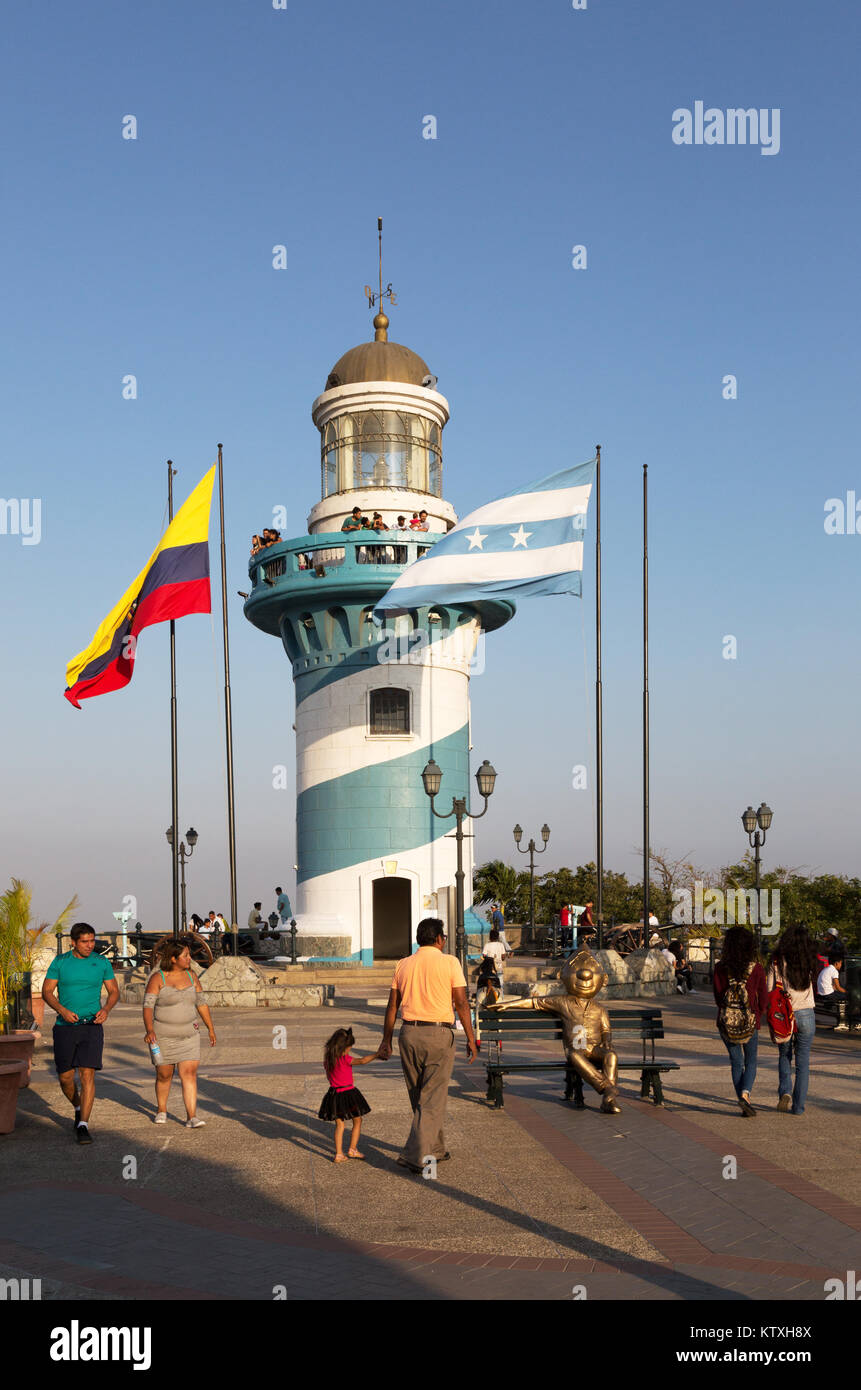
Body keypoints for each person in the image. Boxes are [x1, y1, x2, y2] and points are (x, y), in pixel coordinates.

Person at [378, 919, 478, 1173]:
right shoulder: (450, 962)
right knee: (432, 1098)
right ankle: (417, 1156)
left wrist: (385, 1040)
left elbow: (392, 1006)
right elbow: (462, 1003)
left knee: (420, 1096)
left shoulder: (403, 964)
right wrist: (471, 1037)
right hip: (439, 1034)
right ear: (439, 939)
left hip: (409, 1034)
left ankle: (436, 1148)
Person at [42, 922, 120, 1145]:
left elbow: (114, 991)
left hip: (92, 1026)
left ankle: (83, 1125)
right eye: (84, 942)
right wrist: (62, 1011)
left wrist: (106, 1009)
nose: (89, 945)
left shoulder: (101, 962)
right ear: (73, 943)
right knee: (66, 1078)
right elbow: (47, 991)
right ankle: (77, 1106)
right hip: (65, 1027)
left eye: (92, 941)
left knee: (87, 1075)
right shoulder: (61, 962)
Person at [143, 940, 216, 1127]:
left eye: (189, 955)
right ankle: (161, 1110)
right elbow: (148, 1007)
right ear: (173, 958)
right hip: (163, 1036)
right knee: (164, 1075)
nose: (189, 958)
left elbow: (201, 1003)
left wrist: (210, 1028)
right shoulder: (158, 978)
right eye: (185, 956)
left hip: (189, 1034)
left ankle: (192, 1116)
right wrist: (149, 1030)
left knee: (189, 1074)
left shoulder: (192, 976)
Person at [713, 925, 768, 1117]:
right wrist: (757, 1014)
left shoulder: (720, 968)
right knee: (751, 1061)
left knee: (736, 1062)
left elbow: (718, 998)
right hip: (749, 1022)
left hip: (726, 1022)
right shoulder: (757, 968)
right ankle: (745, 1095)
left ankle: (742, 1100)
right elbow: (763, 997)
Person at [769, 924, 818, 1113]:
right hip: (806, 1013)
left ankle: (785, 1091)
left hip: (785, 1014)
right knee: (803, 1062)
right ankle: (798, 1107)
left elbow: (769, 989)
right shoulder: (808, 959)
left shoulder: (777, 961)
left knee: (784, 1055)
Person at [318, 1027, 377, 1162]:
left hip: (334, 1095)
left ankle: (339, 1154)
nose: (350, 1049)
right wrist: (377, 1054)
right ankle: (352, 1149)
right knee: (357, 1120)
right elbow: (362, 1061)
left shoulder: (328, 1060)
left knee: (340, 1125)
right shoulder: (345, 1059)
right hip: (349, 1093)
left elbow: (329, 1077)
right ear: (343, 1047)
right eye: (349, 1047)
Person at [817, 953, 849, 1031]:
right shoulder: (834, 971)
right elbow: (838, 988)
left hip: (823, 994)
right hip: (829, 995)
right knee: (850, 998)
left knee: (842, 995)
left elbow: (834, 987)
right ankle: (846, 1021)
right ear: (836, 963)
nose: (841, 965)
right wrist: (848, 992)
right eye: (841, 963)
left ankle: (843, 1021)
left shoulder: (826, 969)